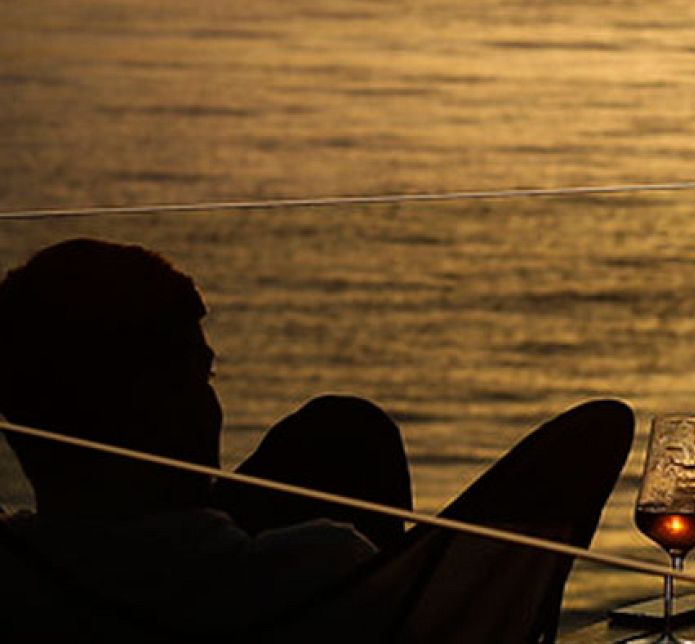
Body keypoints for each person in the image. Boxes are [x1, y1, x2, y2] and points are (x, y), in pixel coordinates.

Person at [0, 238, 632, 640]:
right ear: (179, 412)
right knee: (351, 436)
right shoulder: (316, 568)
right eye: (203, 379)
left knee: (334, 432)